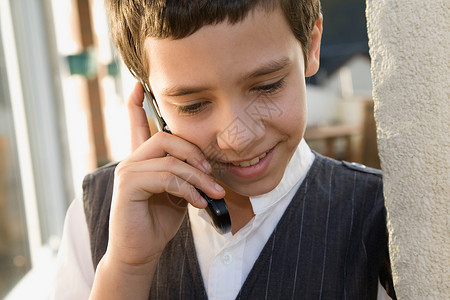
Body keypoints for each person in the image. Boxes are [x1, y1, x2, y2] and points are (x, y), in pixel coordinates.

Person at [52, 0, 396, 299]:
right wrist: (127, 268)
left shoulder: (386, 219)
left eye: (267, 86)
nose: (239, 137)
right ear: (152, 101)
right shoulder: (93, 216)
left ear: (311, 47)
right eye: (193, 105)